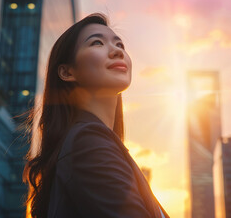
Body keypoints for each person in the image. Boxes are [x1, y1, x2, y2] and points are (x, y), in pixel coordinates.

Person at [23, 13, 169, 218]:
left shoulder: (95, 141)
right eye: (97, 43)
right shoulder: (87, 142)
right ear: (67, 72)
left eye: (120, 45)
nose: (117, 51)